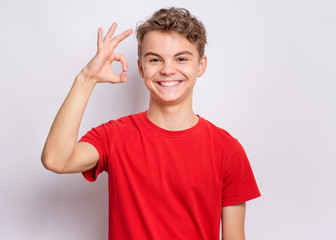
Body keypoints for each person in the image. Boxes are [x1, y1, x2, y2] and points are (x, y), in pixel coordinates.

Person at [41, 7, 260, 240]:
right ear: (140, 67)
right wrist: (87, 79)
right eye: (155, 59)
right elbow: (56, 159)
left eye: (181, 58)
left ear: (200, 66)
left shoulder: (227, 149)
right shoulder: (114, 136)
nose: (167, 70)